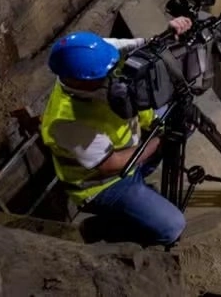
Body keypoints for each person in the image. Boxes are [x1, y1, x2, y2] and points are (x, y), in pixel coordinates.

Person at [40, 19, 192, 247]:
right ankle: (102, 228)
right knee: (172, 227)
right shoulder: (66, 122)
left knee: (184, 117)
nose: (112, 74)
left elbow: (137, 46)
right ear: (78, 82)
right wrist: (160, 141)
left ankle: (143, 184)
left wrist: (168, 33)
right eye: (104, 75)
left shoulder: (97, 54)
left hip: (132, 144)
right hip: (104, 183)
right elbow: (112, 162)